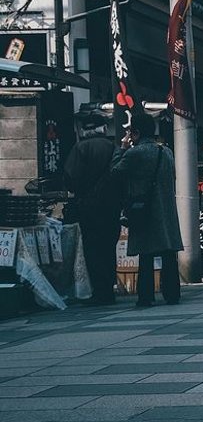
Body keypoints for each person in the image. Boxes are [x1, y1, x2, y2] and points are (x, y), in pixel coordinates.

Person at [110, 113, 182, 307]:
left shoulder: (135, 153)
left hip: (145, 209)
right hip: (165, 209)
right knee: (168, 253)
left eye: (131, 132)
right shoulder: (166, 152)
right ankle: (172, 293)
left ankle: (146, 296)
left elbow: (115, 172)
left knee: (146, 254)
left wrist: (122, 149)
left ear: (137, 132)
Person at [64, 117, 121, 305]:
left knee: (93, 249)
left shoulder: (80, 148)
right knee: (108, 247)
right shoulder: (112, 147)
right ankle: (109, 289)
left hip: (89, 206)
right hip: (112, 205)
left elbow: (71, 177)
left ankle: (100, 291)